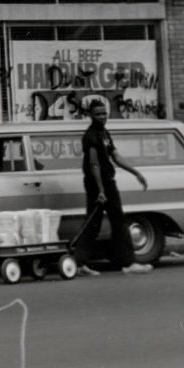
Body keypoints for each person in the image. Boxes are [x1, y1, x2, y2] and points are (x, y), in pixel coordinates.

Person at [68, 95, 151, 275]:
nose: (102, 117)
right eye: (98, 114)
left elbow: (116, 156)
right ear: (90, 115)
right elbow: (94, 163)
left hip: (107, 182)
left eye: (104, 113)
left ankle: (85, 262)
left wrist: (136, 172)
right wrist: (101, 190)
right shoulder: (90, 136)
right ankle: (123, 263)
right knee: (99, 222)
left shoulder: (105, 133)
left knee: (111, 220)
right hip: (98, 183)